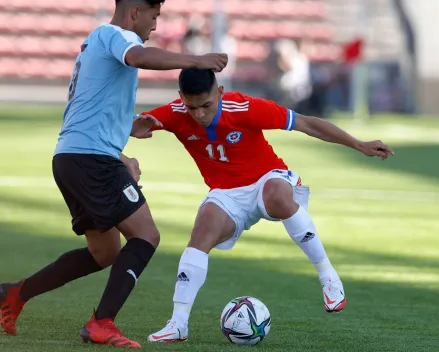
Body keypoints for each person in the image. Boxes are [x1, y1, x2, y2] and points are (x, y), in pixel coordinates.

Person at [0, 0, 228, 348]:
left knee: (105, 253)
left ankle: (17, 293)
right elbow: (140, 57)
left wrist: (125, 130)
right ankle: (101, 322)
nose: (155, 26)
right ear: (134, 12)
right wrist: (196, 60)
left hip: (75, 158)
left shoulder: (98, 42)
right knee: (146, 236)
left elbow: (87, 106)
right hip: (91, 161)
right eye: (154, 16)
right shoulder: (112, 35)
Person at [130, 68, 394, 343]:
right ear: (180, 97)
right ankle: (178, 323)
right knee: (202, 229)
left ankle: (328, 275)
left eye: (206, 105)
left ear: (219, 93)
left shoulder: (244, 107)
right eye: (191, 106)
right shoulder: (174, 112)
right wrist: (131, 130)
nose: (199, 114)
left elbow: (306, 123)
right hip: (227, 194)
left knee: (277, 196)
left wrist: (358, 144)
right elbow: (117, 126)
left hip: (267, 178)